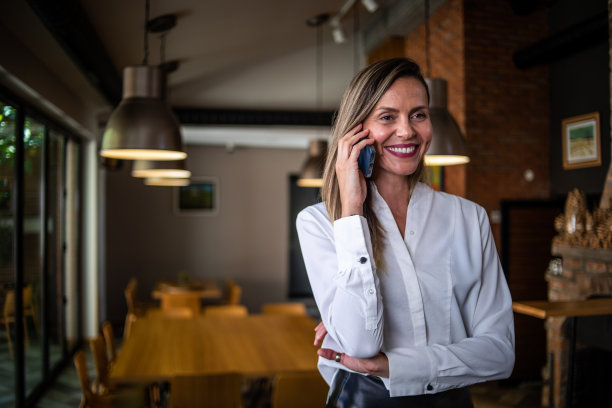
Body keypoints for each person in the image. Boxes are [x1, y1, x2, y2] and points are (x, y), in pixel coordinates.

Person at [296, 58, 514, 407]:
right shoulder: (319, 223)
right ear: (356, 131)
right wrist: (352, 213)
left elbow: (500, 353)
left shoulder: (469, 218)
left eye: (419, 114)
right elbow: (360, 344)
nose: (408, 131)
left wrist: (395, 366)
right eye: (387, 117)